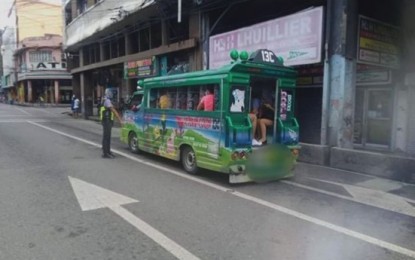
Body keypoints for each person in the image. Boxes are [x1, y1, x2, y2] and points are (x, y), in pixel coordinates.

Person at [100, 88, 123, 158]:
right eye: (112, 93)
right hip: (106, 121)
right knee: (106, 137)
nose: (113, 95)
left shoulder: (105, 99)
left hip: (107, 120)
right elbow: (113, 110)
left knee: (107, 137)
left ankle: (108, 151)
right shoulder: (107, 100)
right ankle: (105, 153)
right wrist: (120, 120)